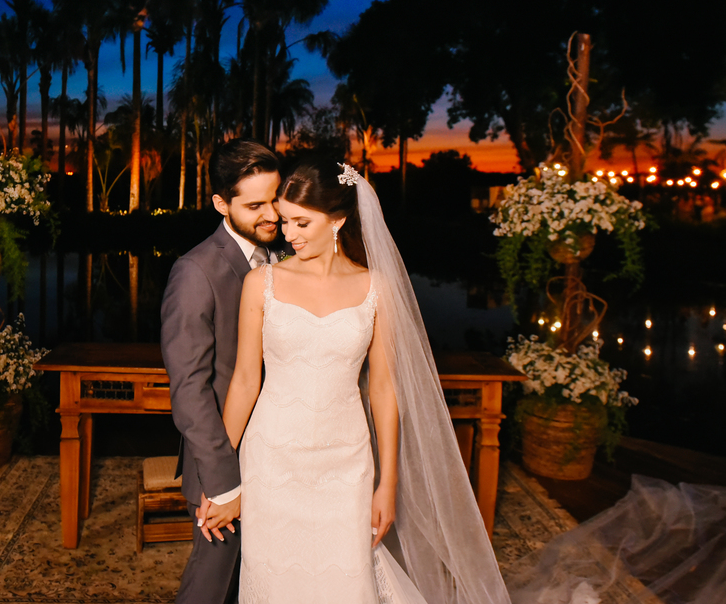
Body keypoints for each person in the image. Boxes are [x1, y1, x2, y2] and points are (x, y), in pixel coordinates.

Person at [219, 158, 511, 604]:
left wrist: (387, 483)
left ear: (337, 220)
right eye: (285, 221)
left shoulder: (377, 288)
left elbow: (384, 389)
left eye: (302, 222)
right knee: (276, 580)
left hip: (347, 460)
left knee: (348, 582)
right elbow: (243, 382)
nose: (288, 233)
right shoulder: (261, 283)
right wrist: (220, 475)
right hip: (272, 460)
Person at [160, 138, 281, 604]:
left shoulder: (279, 251)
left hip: (278, 452)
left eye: (275, 198)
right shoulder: (196, 271)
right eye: (255, 205)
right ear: (220, 203)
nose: (271, 214)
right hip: (223, 462)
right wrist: (223, 481)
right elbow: (189, 391)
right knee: (209, 588)